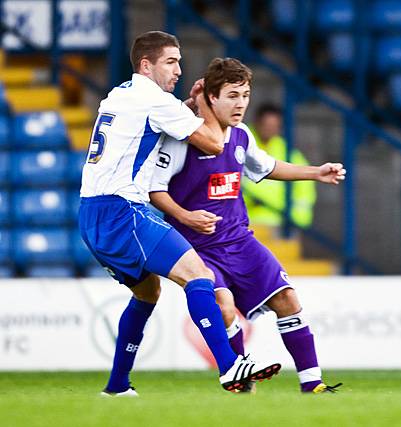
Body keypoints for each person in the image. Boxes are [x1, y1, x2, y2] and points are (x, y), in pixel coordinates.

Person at [78, 31, 281, 396]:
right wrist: (203, 103)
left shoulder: (121, 94)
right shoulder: (155, 99)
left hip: (92, 213)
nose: (178, 69)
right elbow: (215, 142)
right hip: (123, 210)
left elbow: (157, 122)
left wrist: (186, 108)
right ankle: (230, 366)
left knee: (148, 293)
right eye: (170, 62)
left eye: (179, 61)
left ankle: (117, 386)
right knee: (198, 274)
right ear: (146, 65)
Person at [149, 57, 345, 393]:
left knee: (287, 299)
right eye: (232, 95)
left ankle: (312, 383)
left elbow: (266, 167)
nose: (240, 104)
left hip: (240, 240)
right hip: (197, 249)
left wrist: (316, 172)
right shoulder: (184, 139)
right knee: (224, 308)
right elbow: (155, 189)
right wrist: (185, 216)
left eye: (245, 95)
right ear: (211, 97)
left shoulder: (241, 135)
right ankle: (240, 379)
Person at [242, 103, 316, 229]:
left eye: (275, 126)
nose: (270, 129)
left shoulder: (286, 151)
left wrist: (297, 219)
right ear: (257, 122)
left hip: (279, 224)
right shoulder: (239, 142)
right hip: (244, 222)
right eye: (267, 125)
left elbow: (305, 188)